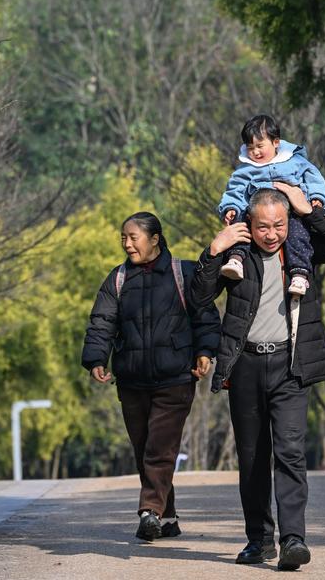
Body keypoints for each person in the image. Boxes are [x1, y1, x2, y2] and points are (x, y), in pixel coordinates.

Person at [191, 185, 325, 571]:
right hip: (245, 365)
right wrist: (214, 250)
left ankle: (294, 539)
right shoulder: (238, 253)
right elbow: (199, 297)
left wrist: (309, 211)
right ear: (250, 222)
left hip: (290, 365)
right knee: (252, 459)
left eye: (279, 225)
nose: (271, 234)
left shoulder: (303, 248)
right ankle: (259, 540)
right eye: (263, 226)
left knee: (291, 453)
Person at [82, 211, 220, 542]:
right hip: (131, 379)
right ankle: (168, 517)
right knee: (144, 447)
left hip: (176, 376)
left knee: (160, 447)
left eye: (134, 237)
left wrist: (205, 352)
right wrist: (95, 358)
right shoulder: (117, 279)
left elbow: (205, 316)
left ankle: (149, 511)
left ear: (155, 239)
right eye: (123, 238)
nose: (127, 244)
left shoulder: (183, 274)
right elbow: (102, 321)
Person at [218, 114, 325, 296]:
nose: (255, 152)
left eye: (260, 146)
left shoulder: (294, 161)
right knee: (239, 222)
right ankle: (236, 258)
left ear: (276, 142)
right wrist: (230, 207)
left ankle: (300, 274)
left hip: (289, 211)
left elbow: (314, 179)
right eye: (250, 148)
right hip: (255, 212)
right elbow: (234, 190)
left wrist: (316, 198)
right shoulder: (245, 169)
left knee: (298, 232)